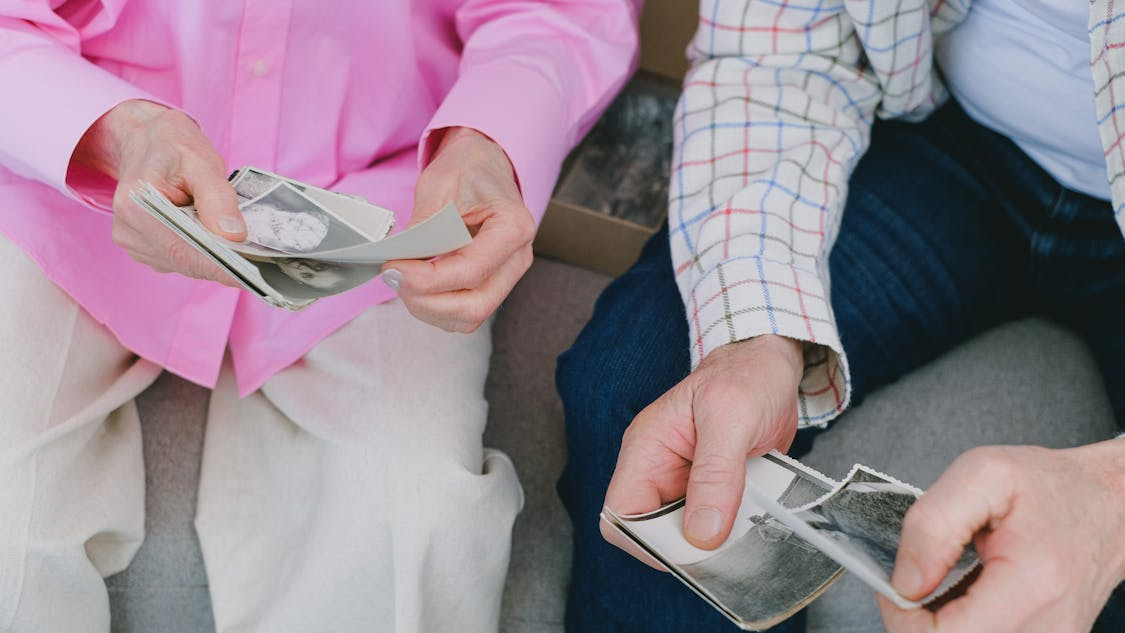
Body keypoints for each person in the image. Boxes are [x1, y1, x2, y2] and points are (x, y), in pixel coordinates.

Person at [0, 2, 638, 632]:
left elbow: (559, 15)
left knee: (416, 516)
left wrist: (486, 145)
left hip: (385, 197)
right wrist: (116, 130)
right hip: (66, 175)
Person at [556, 1, 1125, 633]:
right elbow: (773, 50)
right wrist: (752, 337)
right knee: (662, 402)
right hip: (950, 131)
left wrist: (1110, 498)